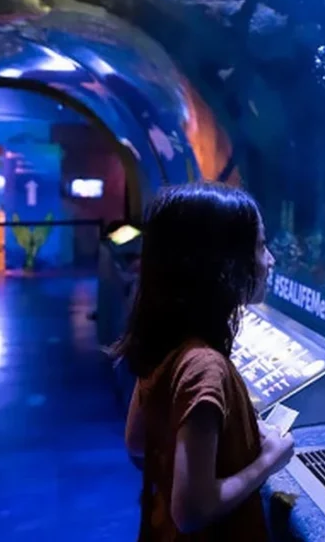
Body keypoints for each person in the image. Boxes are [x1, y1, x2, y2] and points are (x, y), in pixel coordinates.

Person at [109, 182, 294, 541]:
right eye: (259, 245)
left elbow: (135, 442)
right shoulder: (206, 367)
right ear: (223, 264)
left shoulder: (167, 341)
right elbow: (191, 511)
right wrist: (270, 458)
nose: (270, 259)